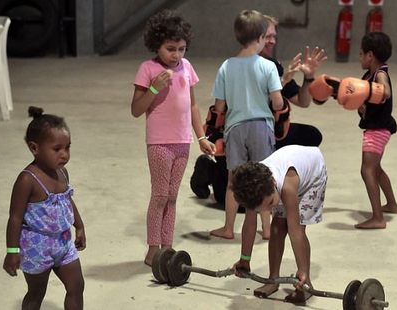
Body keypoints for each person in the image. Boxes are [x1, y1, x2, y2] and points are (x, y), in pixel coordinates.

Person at [190, 14, 326, 206]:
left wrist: (308, 78)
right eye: (268, 36)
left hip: (264, 130)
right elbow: (220, 109)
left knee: (311, 136)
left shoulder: (271, 66)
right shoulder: (238, 67)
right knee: (235, 198)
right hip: (237, 133)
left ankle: (283, 180)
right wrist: (211, 137)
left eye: (274, 36)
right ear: (258, 36)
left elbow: (302, 101)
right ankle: (210, 170)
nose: (272, 41)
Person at [131, 9, 215, 266]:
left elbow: (192, 106)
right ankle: (152, 247)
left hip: (182, 142)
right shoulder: (148, 68)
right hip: (159, 142)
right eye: (170, 49)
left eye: (181, 49)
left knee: (172, 196)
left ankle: (167, 246)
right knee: (159, 195)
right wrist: (155, 87)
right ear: (156, 45)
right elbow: (136, 110)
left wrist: (201, 137)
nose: (177, 55)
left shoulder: (186, 67)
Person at [208, 10, 284, 240]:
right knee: (265, 177)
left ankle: (229, 228)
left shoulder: (226, 67)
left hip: (235, 128)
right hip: (261, 126)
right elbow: (278, 102)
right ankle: (268, 229)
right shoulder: (268, 67)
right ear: (261, 36)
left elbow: (219, 106)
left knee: (234, 179)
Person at [3, 106, 86, 309]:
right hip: (36, 246)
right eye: (57, 149)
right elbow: (15, 217)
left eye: (67, 147)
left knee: (77, 286)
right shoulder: (27, 180)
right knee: (36, 292)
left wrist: (79, 225)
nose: (64, 154)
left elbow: (66, 200)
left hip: (64, 242)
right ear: (34, 148)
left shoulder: (62, 173)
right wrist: (12, 251)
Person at [230, 145, 327, 304]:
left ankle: (306, 281)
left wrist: (301, 271)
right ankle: (273, 280)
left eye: (270, 203)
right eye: (264, 210)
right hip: (289, 170)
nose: (271, 209)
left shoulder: (287, 187)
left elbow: (295, 232)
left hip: (313, 176)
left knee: (296, 226)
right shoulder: (252, 190)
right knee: (276, 228)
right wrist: (244, 259)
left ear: (273, 182)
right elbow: (249, 226)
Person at [354, 32, 397, 229]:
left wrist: (373, 94)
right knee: (376, 169)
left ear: (370, 55)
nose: (360, 57)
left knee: (367, 170)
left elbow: (385, 91)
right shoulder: (368, 75)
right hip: (376, 126)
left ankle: (378, 218)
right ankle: (392, 204)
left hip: (378, 129)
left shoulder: (379, 73)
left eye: (361, 53)